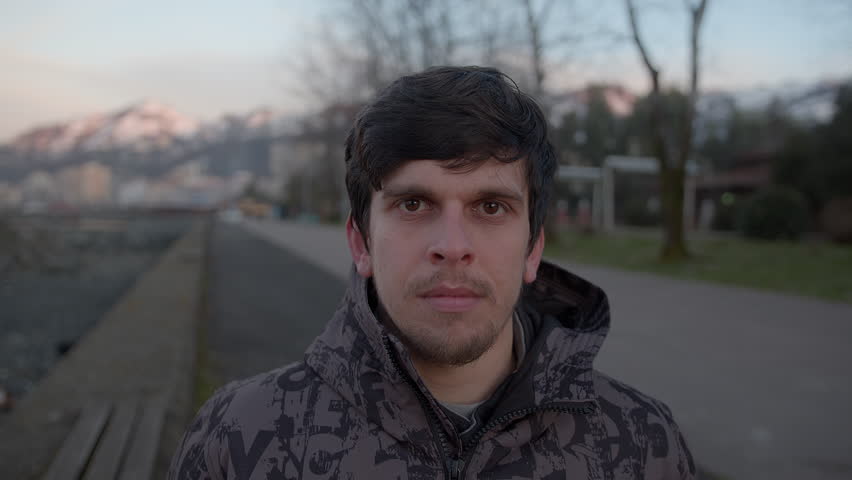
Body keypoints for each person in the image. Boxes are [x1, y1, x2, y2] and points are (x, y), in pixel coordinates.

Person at [168, 66, 695, 480]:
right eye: (415, 204)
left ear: (533, 248)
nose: (452, 247)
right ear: (361, 241)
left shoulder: (641, 445)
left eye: (490, 207)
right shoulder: (241, 441)